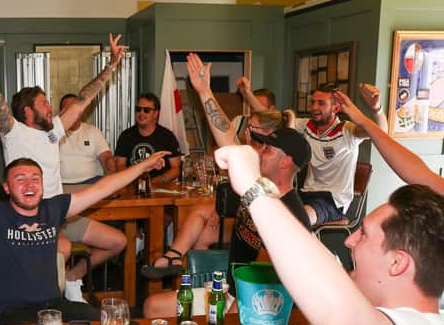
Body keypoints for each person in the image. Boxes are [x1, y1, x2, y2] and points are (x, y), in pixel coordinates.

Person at [215, 144, 444, 325]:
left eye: (363, 235)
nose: (349, 240)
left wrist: (254, 189)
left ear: (397, 263)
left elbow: (340, 318)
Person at [0, 19, 127, 302]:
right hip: (31, 219)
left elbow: (83, 100)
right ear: (27, 111)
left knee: (117, 242)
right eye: (45, 103)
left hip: (59, 213)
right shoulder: (12, 132)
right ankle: (50, 303)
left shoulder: (54, 130)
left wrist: (111, 65)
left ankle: (73, 279)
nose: (52, 108)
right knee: (63, 249)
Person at [0, 151, 169, 325]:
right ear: (6, 188)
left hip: (55, 307)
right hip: (11, 314)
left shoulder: (53, 209)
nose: (29, 184)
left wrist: (143, 166)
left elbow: (103, 188)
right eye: (20, 179)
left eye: (35, 178)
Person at [141, 53, 297, 278]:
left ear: (269, 135)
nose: (247, 130)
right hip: (246, 225)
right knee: (200, 220)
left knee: (206, 228)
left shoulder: (281, 160)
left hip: (266, 246)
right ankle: (186, 267)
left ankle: (184, 265)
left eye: (252, 128)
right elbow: (227, 134)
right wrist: (204, 91)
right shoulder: (256, 154)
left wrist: (206, 92)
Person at [143, 124, 311, 317]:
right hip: (230, 291)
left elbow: (266, 282)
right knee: (153, 306)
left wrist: (231, 314)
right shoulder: (258, 191)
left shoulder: (289, 216)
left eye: (267, 149)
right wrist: (205, 92)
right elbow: (229, 145)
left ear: (285, 162)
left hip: (256, 304)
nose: (259, 152)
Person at [238, 78, 387, 226]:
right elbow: (268, 119)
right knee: (264, 207)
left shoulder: (347, 131)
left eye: (321, 103)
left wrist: (376, 109)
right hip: (304, 194)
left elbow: (380, 133)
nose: (314, 107)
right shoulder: (306, 126)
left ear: (335, 108)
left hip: (332, 201)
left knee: (295, 219)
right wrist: (247, 94)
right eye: (312, 102)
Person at [334, 88, 444, 195]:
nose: (316, 108)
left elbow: (381, 131)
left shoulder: (345, 129)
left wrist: (373, 113)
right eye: (315, 102)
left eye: (321, 103)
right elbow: (424, 176)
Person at [114, 92, 182, 185]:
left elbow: (176, 169)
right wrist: (133, 182)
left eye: (146, 110)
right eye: (138, 109)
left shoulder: (167, 136)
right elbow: (120, 165)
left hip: (160, 188)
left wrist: (153, 183)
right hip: (132, 187)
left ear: (156, 114)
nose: (141, 113)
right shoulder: (125, 136)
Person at [58, 93, 116, 184]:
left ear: (81, 111)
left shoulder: (93, 131)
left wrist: (109, 164)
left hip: (92, 182)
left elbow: (107, 157)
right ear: (60, 112)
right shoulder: (53, 133)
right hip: (60, 184)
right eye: (68, 109)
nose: (71, 113)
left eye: (74, 109)